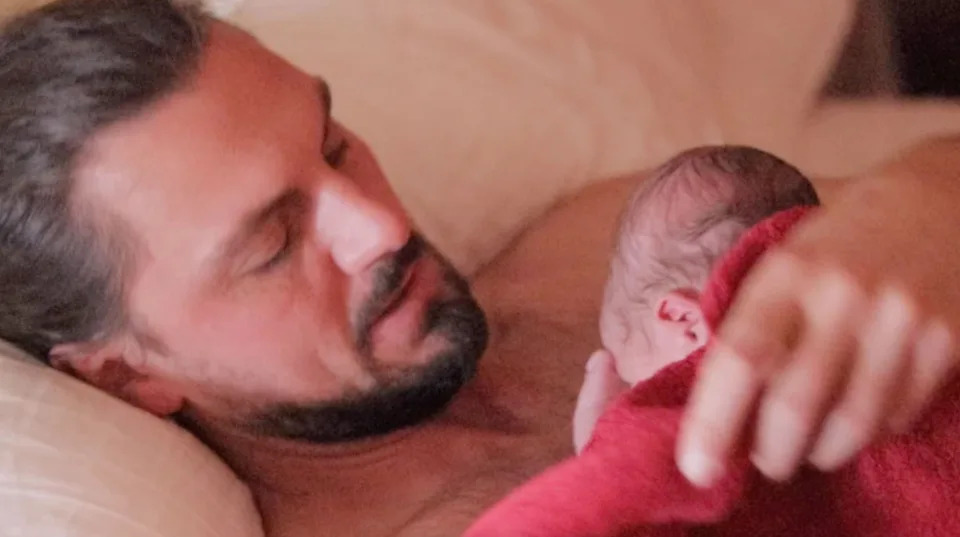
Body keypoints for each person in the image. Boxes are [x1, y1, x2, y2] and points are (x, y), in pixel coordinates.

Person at [1, 2, 957, 536]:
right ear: (131, 373)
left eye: (332, 145)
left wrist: (922, 198)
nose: (378, 222)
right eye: (274, 245)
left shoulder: (604, 246)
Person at [572, 145, 820, 453]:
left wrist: (595, 441)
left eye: (633, 383)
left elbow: (618, 490)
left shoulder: (688, 429)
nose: (635, 395)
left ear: (686, 322)